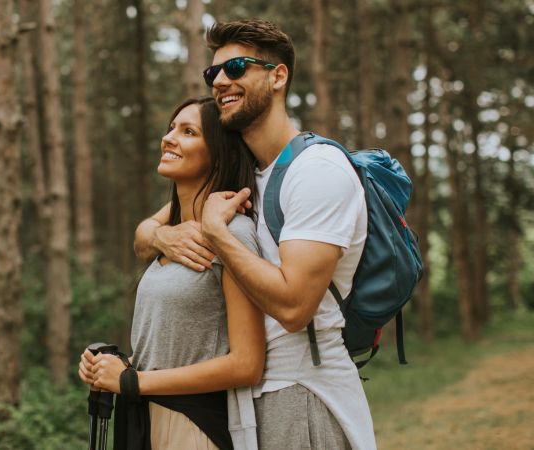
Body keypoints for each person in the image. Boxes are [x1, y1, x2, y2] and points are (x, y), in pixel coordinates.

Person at [134, 19, 377, 450]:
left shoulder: (316, 171)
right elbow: (147, 231)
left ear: (278, 76)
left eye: (237, 67)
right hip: (251, 402)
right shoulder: (251, 170)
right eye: (214, 73)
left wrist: (215, 233)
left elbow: (294, 307)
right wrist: (162, 237)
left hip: (303, 393)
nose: (221, 81)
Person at [79, 96, 266, 449]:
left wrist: (132, 381)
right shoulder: (171, 236)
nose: (169, 138)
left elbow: (247, 363)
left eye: (188, 131)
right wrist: (114, 368)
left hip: (192, 428)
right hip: (146, 423)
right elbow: (176, 351)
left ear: (219, 154)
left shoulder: (231, 233)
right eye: (170, 129)